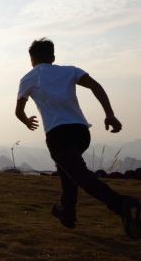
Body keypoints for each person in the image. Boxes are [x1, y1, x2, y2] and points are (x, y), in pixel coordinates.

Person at [15, 38, 140, 238]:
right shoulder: (70, 70)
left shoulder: (28, 78)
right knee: (68, 171)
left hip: (57, 134)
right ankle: (67, 214)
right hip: (81, 132)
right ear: (53, 57)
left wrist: (26, 121)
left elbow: (18, 110)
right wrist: (109, 114)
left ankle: (121, 204)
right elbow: (96, 86)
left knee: (79, 174)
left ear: (32, 60)